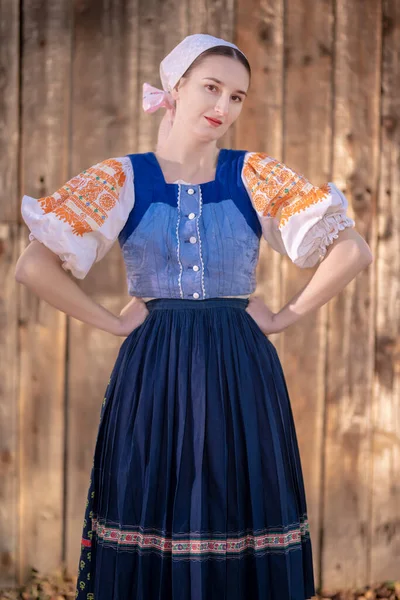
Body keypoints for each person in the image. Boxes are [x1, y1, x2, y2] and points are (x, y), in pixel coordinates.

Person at [15, 33, 373, 600]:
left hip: (240, 365)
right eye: (212, 88)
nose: (223, 107)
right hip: (154, 366)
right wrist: (111, 322)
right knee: (156, 495)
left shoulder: (252, 174)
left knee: (236, 496)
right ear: (175, 88)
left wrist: (286, 315)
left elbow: (353, 250)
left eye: (237, 97)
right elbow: (33, 266)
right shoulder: (123, 177)